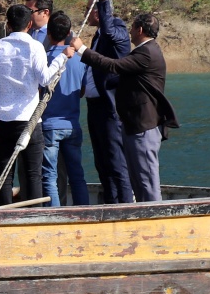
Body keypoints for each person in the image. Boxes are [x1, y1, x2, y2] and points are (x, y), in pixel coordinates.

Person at [73, 11, 178, 203]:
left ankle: (155, 216)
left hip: (144, 125)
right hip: (135, 125)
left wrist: (82, 50)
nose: (130, 31)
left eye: (132, 27)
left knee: (146, 181)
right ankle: (141, 214)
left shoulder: (146, 53)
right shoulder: (145, 51)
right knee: (138, 179)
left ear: (139, 29)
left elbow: (113, 66)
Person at [0, 4, 73, 205]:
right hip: (30, 120)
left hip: (4, 118)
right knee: (34, 173)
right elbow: (45, 79)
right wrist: (62, 57)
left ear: (8, 24)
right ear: (30, 25)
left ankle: (5, 213)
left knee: (5, 172)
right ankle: (34, 213)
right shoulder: (35, 47)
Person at [83, 0, 134, 203]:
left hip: (110, 107)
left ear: (98, 11)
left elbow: (110, 32)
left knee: (116, 162)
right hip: (94, 107)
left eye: (88, 9)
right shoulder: (97, 35)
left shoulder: (118, 30)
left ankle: (125, 206)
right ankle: (111, 203)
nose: (85, 14)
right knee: (101, 162)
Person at [40, 12, 90, 207]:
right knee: (77, 175)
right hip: (72, 124)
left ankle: (53, 215)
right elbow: (82, 91)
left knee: (49, 177)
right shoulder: (80, 60)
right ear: (69, 33)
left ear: (49, 34)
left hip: (49, 125)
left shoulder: (45, 59)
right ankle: (84, 213)